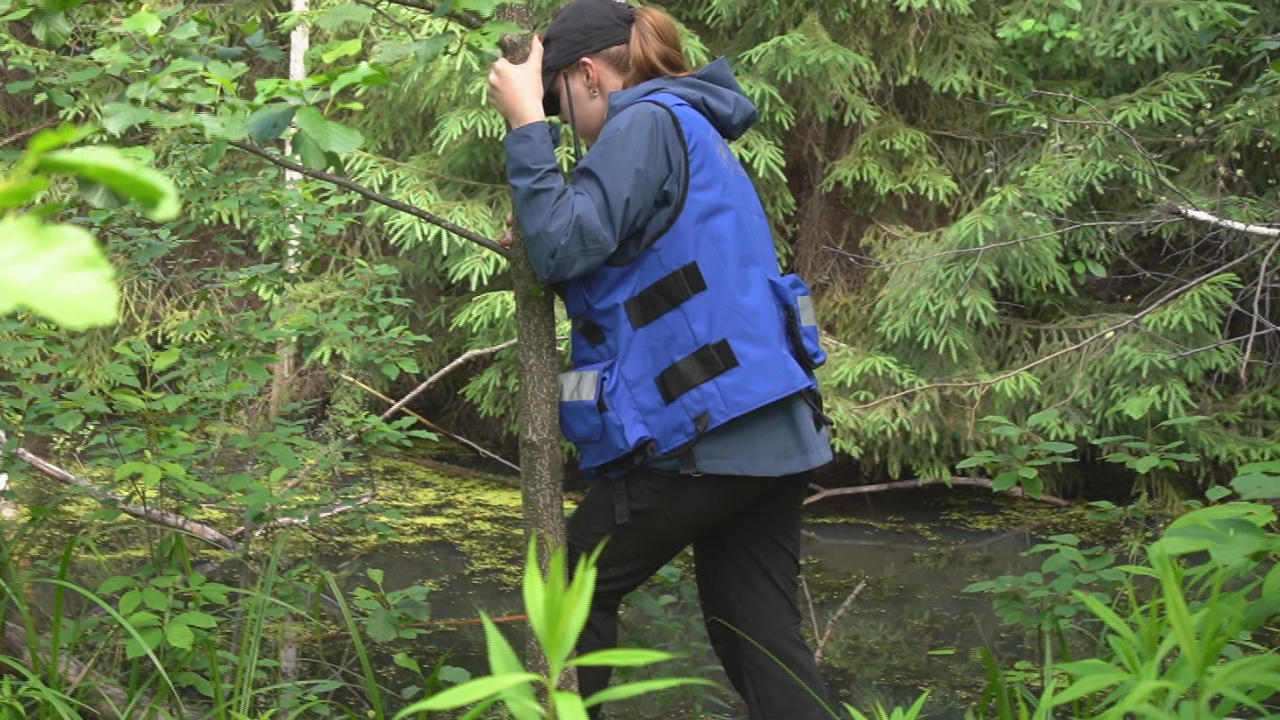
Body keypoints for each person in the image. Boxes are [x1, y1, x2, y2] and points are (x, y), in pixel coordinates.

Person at [488, 1, 838, 717]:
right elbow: (608, 248)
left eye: (557, 106)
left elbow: (562, 244)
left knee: (567, 591)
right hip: (770, 428)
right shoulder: (691, 124)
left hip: (705, 433)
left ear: (588, 76)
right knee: (761, 641)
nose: (562, 124)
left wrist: (523, 127)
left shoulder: (641, 121)